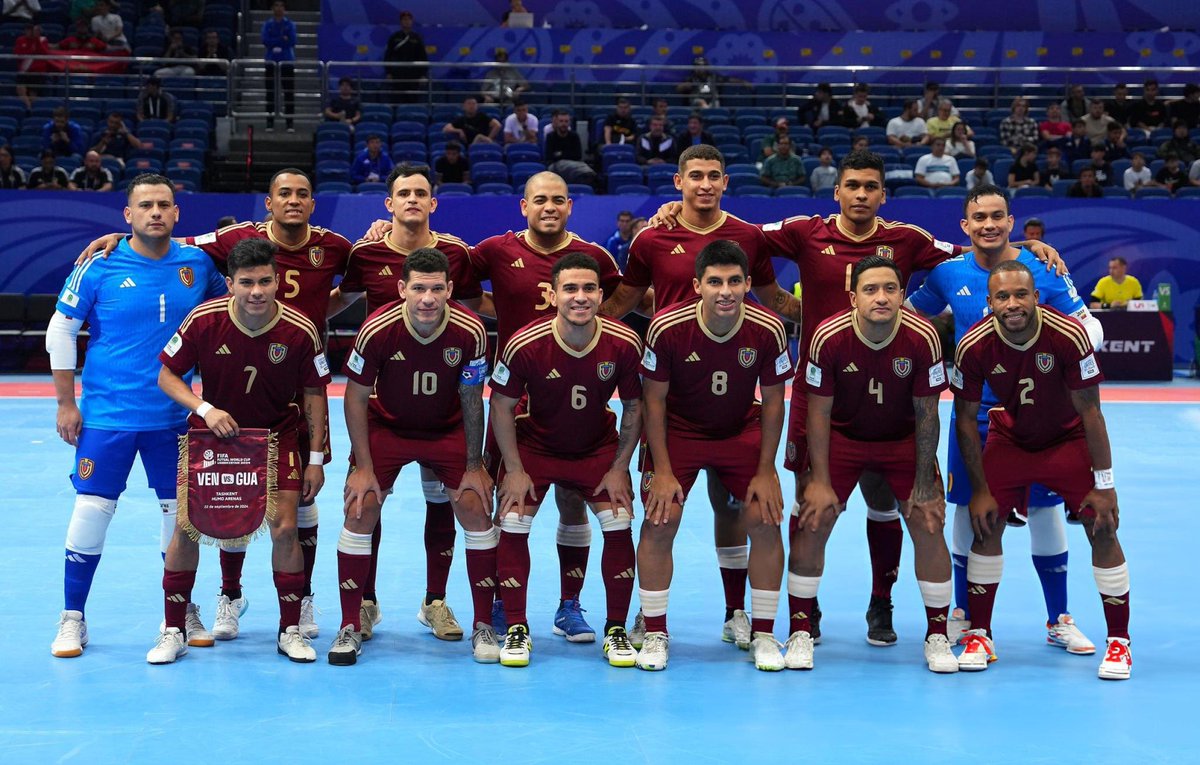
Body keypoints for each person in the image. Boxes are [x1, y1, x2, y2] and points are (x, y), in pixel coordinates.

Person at [79, 169, 355, 641]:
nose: (293, 201)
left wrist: (312, 315)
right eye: (284, 193)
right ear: (268, 202)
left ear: (313, 203)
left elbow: (363, 277)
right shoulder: (234, 242)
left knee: (298, 508)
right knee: (230, 506)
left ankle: (301, 601)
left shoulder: (335, 246)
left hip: (295, 388)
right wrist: (121, 238)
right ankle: (229, 595)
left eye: (302, 194)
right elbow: (170, 238)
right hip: (229, 412)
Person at [602, 145, 801, 653]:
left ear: (726, 182)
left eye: (714, 175)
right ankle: (651, 620)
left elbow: (774, 299)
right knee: (662, 514)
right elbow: (624, 300)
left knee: (739, 510)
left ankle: (740, 615)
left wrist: (847, 314)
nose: (705, 184)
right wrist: (565, 331)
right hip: (673, 397)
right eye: (696, 176)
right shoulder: (652, 237)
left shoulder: (748, 237)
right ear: (679, 182)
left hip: (734, 399)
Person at [908, 185, 1101, 656]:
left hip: (1039, 416)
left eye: (998, 216)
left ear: (1012, 222)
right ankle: (963, 613)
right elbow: (909, 319)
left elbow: (1089, 326)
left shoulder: (1044, 269)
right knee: (967, 509)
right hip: (974, 415)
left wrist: (1069, 351)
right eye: (980, 218)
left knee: (1044, 512)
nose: (989, 224)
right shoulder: (947, 273)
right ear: (965, 226)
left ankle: (1058, 618)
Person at [46, 173, 227, 659]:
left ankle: (179, 611)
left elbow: (228, 312)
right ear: (128, 215)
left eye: (164, 205)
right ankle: (73, 617)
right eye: (145, 205)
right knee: (91, 511)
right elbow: (60, 331)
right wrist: (66, 403)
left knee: (180, 519)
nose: (155, 212)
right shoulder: (99, 264)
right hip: (109, 416)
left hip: (175, 417)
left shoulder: (197, 264)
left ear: (177, 213)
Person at [151, 238, 331, 665]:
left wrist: (316, 459)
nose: (256, 291)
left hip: (277, 436)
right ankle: (174, 629)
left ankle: (289, 630)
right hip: (217, 436)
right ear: (230, 284)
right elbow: (166, 376)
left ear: (277, 282)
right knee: (187, 528)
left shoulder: (301, 328)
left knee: (285, 528)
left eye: (265, 281)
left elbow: (315, 394)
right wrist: (205, 409)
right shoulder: (203, 319)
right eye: (246, 282)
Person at [951, 260, 1132, 680]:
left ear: (1036, 297)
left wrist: (1105, 484)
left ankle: (1119, 642)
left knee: (1103, 526)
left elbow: (1091, 413)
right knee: (986, 524)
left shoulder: (1068, 335)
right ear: (989, 302)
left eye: (1020, 295)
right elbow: (965, 420)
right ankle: (980, 634)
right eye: (1002, 297)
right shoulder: (973, 344)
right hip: (1010, 440)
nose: (1012, 304)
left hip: (1066, 440)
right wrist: (980, 489)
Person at [470, 172, 623, 640]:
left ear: (570, 205)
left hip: (576, 396)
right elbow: (448, 273)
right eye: (540, 200)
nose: (549, 207)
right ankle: (503, 602)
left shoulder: (594, 257)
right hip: (513, 400)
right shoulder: (496, 250)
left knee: (573, 499)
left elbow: (621, 299)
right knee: (507, 498)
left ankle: (568, 605)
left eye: (558, 200)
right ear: (524, 206)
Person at [330, 247, 495, 665]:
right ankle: (351, 623)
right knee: (361, 506)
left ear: (450, 289)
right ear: (402, 288)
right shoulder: (376, 328)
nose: (428, 298)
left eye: (437, 289)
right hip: (388, 427)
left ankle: (482, 625)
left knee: (476, 507)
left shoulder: (471, 330)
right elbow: (355, 397)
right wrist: (363, 466)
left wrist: (474, 465)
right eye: (419, 288)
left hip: (446, 428)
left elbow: (472, 397)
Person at [791, 256, 955, 673]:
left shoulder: (924, 336)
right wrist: (820, 480)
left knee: (929, 521)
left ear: (902, 295)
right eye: (870, 289)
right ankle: (800, 631)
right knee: (813, 517)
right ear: (853, 298)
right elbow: (818, 413)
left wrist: (925, 482)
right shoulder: (828, 336)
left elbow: (928, 414)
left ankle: (937, 635)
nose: (881, 297)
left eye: (890, 289)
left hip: (902, 441)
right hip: (843, 438)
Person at [634, 240, 791, 672]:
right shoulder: (666, 326)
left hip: (739, 430)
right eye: (715, 282)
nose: (726, 291)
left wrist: (766, 470)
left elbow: (774, 402)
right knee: (661, 518)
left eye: (735, 281)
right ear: (697, 286)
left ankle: (761, 633)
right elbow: (653, 402)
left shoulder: (768, 328)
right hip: (679, 432)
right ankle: (655, 631)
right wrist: (663, 470)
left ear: (747, 284)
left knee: (764, 517)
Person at [490, 252, 644, 668]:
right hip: (536, 448)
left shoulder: (625, 342)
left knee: (620, 521)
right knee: (513, 520)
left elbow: (635, 405)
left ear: (601, 295)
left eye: (589, 288)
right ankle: (517, 626)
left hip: (596, 449)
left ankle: (613, 628)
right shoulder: (525, 342)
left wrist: (619, 468)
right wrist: (514, 470)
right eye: (570, 288)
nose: (580, 297)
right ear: (553, 295)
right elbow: (500, 406)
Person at [262, 0, 297, 131]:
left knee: (289, 92)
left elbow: (292, 41)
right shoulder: (267, 24)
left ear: (284, 9)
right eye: (276, 5)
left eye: (281, 6)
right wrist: (281, 39)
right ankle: (269, 121)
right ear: (272, 8)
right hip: (271, 60)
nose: (279, 8)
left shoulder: (290, 24)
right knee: (270, 92)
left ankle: (290, 123)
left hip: (287, 60)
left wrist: (275, 41)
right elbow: (265, 40)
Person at [383, 10, 427, 103]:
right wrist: (388, 72)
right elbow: (388, 55)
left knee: (412, 99)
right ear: (400, 22)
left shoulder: (417, 38)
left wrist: (423, 75)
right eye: (404, 19)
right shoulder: (394, 37)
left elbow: (423, 57)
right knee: (397, 99)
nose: (406, 21)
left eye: (409, 19)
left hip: (413, 75)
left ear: (412, 21)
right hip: (398, 74)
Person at [543, 110, 596, 185]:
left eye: (566, 121)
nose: (564, 124)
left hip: (574, 164)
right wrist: (567, 154)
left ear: (569, 123)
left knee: (577, 169)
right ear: (556, 122)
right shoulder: (550, 136)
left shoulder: (574, 136)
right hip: (555, 165)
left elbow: (578, 155)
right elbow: (549, 157)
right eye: (561, 121)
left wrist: (560, 154)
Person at [676, 56, 747, 109]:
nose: (699, 68)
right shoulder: (691, 78)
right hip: (697, 104)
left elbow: (728, 80)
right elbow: (679, 89)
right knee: (700, 102)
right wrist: (685, 86)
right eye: (697, 66)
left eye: (701, 66)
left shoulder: (714, 77)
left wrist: (743, 82)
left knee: (715, 102)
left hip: (712, 101)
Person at [14, 22, 50, 108]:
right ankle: (29, 108)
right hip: (24, 71)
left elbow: (44, 53)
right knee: (20, 89)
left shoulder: (42, 40)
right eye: (27, 30)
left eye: (31, 30)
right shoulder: (20, 40)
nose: (29, 32)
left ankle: (32, 110)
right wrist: (31, 50)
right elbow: (18, 54)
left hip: (37, 72)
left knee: (33, 94)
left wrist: (36, 40)